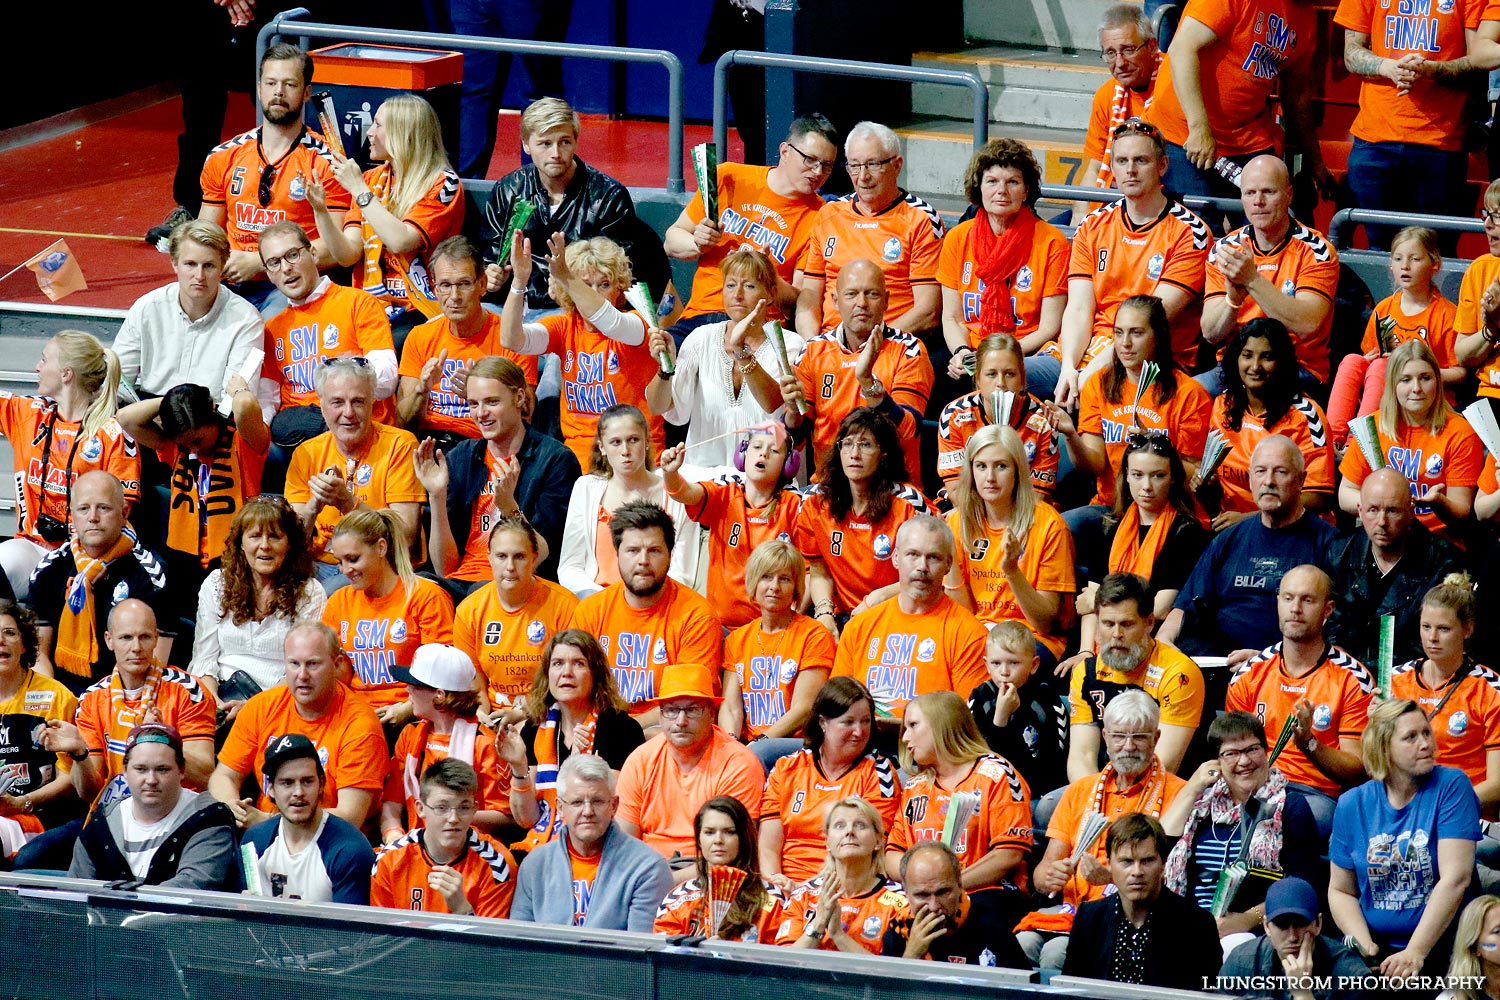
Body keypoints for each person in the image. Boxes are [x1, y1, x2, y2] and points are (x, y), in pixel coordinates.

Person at [1015, 691, 1188, 969]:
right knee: (1020, 945)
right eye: (1119, 736)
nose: (1128, 746)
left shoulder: (1180, 794)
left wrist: (1111, 877)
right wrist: (1052, 876)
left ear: (1156, 739)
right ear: (1105, 737)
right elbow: (1040, 876)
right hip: (1069, 910)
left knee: (1056, 953)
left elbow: (1176, 878)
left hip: (1134, 916)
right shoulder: (1080, 791)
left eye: (1139, 737)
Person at [1045, 120, 1210, 407]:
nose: (1130, 170)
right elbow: (1079, 307)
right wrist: (1070, 367)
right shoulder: (1092, 225)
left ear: (1162, 166)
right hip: (1087, 350)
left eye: (1141, 160)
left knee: (1081, 401)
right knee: (1003, 380)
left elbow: (1147, 323)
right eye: (1121, 161)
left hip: (1150, 361)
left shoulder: (1190, 233)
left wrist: (1089, 378)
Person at [1329, 698, 1479, 978]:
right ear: (1384, 748)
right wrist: (1365, 946)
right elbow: (1340, 890)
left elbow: (1456, 878)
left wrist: (1415, 952)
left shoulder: (1451, 786)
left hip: (1441, 947)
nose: (1425, 744)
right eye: (1410, 737)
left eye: (1426, 733)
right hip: (1377, 949)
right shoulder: (1352, 804)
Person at [1224, 565, 1376, 836]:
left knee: (1284, 817)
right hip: (1255, 787)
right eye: (1288, 598)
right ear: (1278, 603)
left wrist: (1310, 744)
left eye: (1307, 600)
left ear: (1327, 610)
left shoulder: (1352, 679)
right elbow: (1229, 753)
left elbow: (1359, 771)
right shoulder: (1249, 674)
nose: (1296, 608)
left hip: (1317, 796)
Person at [482, 97, 670, 314]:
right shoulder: (508, 190)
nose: (555, 153)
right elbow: (492, 255)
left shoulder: (607, 196)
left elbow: (611, 274)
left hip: (578, 308)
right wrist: (492, 274)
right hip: (514, 301)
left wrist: (564, 285)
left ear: (576, 141)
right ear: (526, 144)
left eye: (564, 142)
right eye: (545, 143)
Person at [1336, 0, 1500, 246]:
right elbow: (1350, 53)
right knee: (1379, 251)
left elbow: (1476, 61)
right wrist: (1388, 67)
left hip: (1441, 142)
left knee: (1435, 253)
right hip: (1374, 141)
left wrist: (1432, 71)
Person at [1143, 0, 1330, 214]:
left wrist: (1316, 163)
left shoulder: (1306, 18)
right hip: (1185, 136)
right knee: (1199, 232)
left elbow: (1296, 96)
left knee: (1266, 228)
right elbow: (1182, 49)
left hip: (1246, 138)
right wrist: (1199, 129)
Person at [198, 44, 348, 310]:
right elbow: (206, 232)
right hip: (231, 281)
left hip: (292, 286)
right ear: (259, 88)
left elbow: (335, 249)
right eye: (271, 83)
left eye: (289, 84)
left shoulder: (327, 163)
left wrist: (260, 261)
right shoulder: (223, 156)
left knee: (264, 331)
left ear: (306, 93)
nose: (278, 92)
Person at [498, 230, 666, 468]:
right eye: (586, 286)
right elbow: (512, 340)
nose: (594, 294)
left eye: (604, 284)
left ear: (619, 288)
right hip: (578, 463)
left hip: (636, 458)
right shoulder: (565, 325)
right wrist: (518, 282)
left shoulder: (638, 322)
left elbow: (610, 321)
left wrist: (567, 275)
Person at [1161, 712, 1324, 956]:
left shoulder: (1289, 807)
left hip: (1254, 933)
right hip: (1190, 923)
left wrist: (1248, 919)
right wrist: (1192, 788)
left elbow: (1302, 882)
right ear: (1216, 761)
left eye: (1252, 749)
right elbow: (1160, 848)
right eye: (1232, 753)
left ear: (1266, 752)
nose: (1245, 761)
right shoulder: (1202, 806)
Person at [1159, 435, 1338, 656]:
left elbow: (1336, 630)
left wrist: (1266, 660)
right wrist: (1164, 638)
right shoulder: (1228, 539)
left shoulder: (1330, 545)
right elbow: (1186, 604)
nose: (1269, 481)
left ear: (1301, 480)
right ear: (1251, 479)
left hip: (1287, 667)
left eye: (1280, 472)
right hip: (1219, 662)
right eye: (1260, 471)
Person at [664, 114, 838, 337]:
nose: (817, 172)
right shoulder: (730, 177)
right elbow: (671, 241)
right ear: (785, 151)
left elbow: (798, 303)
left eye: (826, 166)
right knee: (661, 357)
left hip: (760, 327)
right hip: (703, 317)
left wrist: (769, 276)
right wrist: (698, 243)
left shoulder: (820, 217)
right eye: (810, 160)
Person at [307, 93, 465, 334]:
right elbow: (348, 254)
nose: (369, 132)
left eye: (379, 125)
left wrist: (359, 189)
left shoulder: (443, 184)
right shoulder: (372, 180)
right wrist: (321, 212)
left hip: (422, 308)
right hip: (371, 305)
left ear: (405, 134)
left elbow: (401, 241)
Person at [0, 330, 136, 600]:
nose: (37, 367)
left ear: (66, 373)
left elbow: (120, 515)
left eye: (44, 359)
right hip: (31, 546)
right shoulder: (30, 415)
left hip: (87, 554)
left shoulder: (112, 435)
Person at [421, 355, 579, 587]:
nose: (481, 413)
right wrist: (436, 496)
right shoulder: (460, 458)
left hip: (518, 584)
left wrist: (509, 508)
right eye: (474, 404)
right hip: (462, 582)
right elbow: (444, 568)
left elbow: (543, 558)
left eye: (492, 402)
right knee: (421, 587)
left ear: (519, 397)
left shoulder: (555, 460)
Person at [209, 622, 386, 830]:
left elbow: (350, 816)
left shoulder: (360, 726)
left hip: (331, 844)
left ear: (337, 664)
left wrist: (268, 822)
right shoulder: (261, 707)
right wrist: (233, 807)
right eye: (294, 664)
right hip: (263, 837)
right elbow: (224, 776)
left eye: (313, 664)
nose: (302, 675)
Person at [1061, 294, 1212, 535]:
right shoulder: (1098, 385)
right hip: (1111, 507)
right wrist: (1070, 435)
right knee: (1061, 530)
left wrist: (1153, 446)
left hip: (1168, 511)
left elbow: (1194, 474)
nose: (1125, 343)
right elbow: (1094, 465)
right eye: (1118, 333)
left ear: (1158, 338)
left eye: (1136, 333)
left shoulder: (1189, 394)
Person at [47, 600, 216, 811]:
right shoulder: (92, 699)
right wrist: (79, 753)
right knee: (39, 846)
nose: (136, 648)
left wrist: (161, 737)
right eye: (126, 638)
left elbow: (206, 777)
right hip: (115, 813)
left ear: (156, 638)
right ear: (109, 640)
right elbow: (90, 793)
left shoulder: (188, 690)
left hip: (180, 810)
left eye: (144, 637)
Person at [780, 262, 934, 487]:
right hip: (829, 487)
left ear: (886, 300)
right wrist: (794, 412)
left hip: (892, 489)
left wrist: (868, 382)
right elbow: (796, 440)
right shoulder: (814, 350)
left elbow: (908, 431)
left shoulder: (909, 349)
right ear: (835, 301)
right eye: (851, 294)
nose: (861, 303)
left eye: (871, 294)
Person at [568, 502, 723, 723]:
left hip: (665, 730)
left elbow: (688, 703)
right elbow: (573, 687)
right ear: (617, 555)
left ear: (670, 555)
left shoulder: (696, 615)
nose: (643, 561)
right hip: (597, 728)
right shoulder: (590, 610)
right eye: (632, 551)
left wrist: (627, 734)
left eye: (654, 551)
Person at [938, 423, 1075, 669]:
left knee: (989, 669)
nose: (989, 478)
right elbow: (965, 612)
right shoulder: (958, 521)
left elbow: (1044, 622)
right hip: (978, 632)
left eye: (1001, 466)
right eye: (981, 466)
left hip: (1032, 639)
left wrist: (1012, 571)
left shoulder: (1048, 524)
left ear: (1017, 471)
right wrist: (949, 559)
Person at [1199, 157, 1340, 393]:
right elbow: (1211, 333)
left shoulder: (1317, 251)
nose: (1258, 201)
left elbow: (1307, 325)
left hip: (1297, 368)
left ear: (1289, 194)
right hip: (1235, 366)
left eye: (1268, 192)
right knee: (1186, 397)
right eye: (1250, 193)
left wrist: (1252, 280)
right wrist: (1233, 301)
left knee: (1254, 402)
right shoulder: (1224, 250)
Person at [647, 248, 800, 466]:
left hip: (763, 476)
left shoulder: (790, 344)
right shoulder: (701, 338)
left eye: (749, 286)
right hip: (704, 479)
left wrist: (741, 352)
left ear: (771, 294)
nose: (737, 295)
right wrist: (665, 368)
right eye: (730, 285)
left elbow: (772, 404)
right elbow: (658, 407)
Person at [115, 380, 270, 594]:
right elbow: (126, 418)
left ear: (212, 413)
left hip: (236, 554)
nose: (193, 448)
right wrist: (174, 401)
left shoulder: (243, 442)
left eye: (197, 440)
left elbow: (244, 406)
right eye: (186, 443)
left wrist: (239, 390)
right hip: (184, 556)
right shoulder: (177, 448)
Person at [255, 221, 399, 448]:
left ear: (313, 254)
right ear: (268, 274)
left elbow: (387, 378)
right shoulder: (272, 329)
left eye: (292, 255)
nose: (285, 268)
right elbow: (267, 399)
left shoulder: (358, 303)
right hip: (297, 437)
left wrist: (340, 397)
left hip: (355, 423)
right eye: (274, 263)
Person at [498, 629, 644, 852]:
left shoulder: (620, 728)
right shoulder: (535, 728)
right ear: (547, 675)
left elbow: (612, 812)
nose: (566, 673)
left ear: (595, 674)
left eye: (578, 663)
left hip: (599, 847)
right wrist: (519, 767)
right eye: (557, 664)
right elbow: (526, 819)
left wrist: (580, 762)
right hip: (542, 845)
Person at [795, 121, 944, 337]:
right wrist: (814, 344)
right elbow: (810, 296)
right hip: (831, 345)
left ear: (897, 165)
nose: (863, 177)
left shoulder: (921, 219)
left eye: (873, 164)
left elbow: (927, 311)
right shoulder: (829, 214)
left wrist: (870, 345)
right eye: (855, 166)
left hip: (892, 344)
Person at [832, 515, 988, 720]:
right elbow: (835, 707)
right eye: (912, 555)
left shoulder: (970, 634)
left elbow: (966, 724)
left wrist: (902, 728)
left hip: (931, 749)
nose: (922, 566)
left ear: (948, 565)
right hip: (863, 744)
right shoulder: (859, 627)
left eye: (933, 557)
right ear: (896, 558)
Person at [284, 356, 424, 583]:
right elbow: (293, 541)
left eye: (358, 402)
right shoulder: (306, 453)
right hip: (319, 565)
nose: (348, 413)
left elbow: (405, 537)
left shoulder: (400, 445)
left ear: (373, 404)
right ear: (322, 407)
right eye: (337, 402)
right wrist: (314, 506)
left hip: (380, 565)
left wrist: (347, 502)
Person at [938, 139, 1068, 381]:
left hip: (1028, 353)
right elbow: (952, 317)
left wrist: (996, 357)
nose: (1002, 191)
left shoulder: (1052, 243)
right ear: (979, 188)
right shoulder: (957, 238)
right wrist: (961, 352)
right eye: (992, 181)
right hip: (972, 352)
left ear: (1026, 190)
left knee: (998, 379)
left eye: (1013, 182)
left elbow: (1049, 328)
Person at [793, 408, 935, 630]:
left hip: (903, 615)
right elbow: (818, 570)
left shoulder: (909, 504)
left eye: (865, 445)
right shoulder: (815, 502)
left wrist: (877, 599)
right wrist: (824, 612)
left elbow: (933, 573)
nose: (854, 454)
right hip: (845, 618)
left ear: (884, 454)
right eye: (847, 444)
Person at [29, 473, 172, 690]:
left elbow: (156, 663)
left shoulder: (152, 574)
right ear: (72, 516)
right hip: (61, 692)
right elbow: (39, 656)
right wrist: (56, 702)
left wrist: (98, 708)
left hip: (127, 693)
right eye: (83, 508)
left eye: (103, 508)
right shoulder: (49, 570)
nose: (93, 517)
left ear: (124, 513)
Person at [188, 496, 326, 719]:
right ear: (241, 543)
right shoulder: (217, 584)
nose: (264, 546)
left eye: (274, 536)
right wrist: (215, 703)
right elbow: (204, 658)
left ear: (289, 543)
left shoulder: (310, 592)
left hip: (280, 701)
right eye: (255, 536)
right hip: (219, 697)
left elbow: (303, 670)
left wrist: (253, 707)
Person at [1339, 339, 1483, 547]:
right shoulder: (1374, 426)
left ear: (1437, 381)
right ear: (1392, 384)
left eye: (1425, 378)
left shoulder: (1460, 432)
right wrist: (1386, 508)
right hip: (1381, 537)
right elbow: (1345, 494)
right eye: (1405, 380)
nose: (1416, 388)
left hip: (1436, 542)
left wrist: (1439, 503)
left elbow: (1461, 510)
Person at [759, 677, 902, 888]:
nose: (859, 732)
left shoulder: (879, 774)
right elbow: (768, 847)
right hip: (783, 886)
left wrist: (804, 889)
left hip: (844, 887)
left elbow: (869, 856)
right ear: (822, 723)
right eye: (849, 722)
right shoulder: (786, 768)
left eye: (866, 721)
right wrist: (775, 884)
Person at [396, 240, 539, 450]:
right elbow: (403, 424)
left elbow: (526, 413)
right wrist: (421, 391)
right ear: (435, 289)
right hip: (427, 444)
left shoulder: (513, 338)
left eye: (464, 284)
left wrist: (478, 396)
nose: (454, 297)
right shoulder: (420, 336)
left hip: (483, 446)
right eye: (445, 285)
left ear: (482, 284)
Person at [614, 663, 764, 859]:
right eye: (671, 710)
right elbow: (624, 844)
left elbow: (734, 853)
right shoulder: (640, 760)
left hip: (708, 872)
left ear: (711, 713)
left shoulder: (738, 763)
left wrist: (668, 880)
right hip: (647, 870)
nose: (681, 721)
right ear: (660, 714)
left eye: (692, 710)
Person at [887, 691, 1033, 891]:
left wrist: (948, 889)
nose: (904, 738)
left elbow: (1008, 855)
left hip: (989, 894)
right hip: (923, 896)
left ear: (942, 724)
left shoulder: (997, 775)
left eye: (913, 725)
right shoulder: (914, 786)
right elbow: (892, 855)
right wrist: (926, 887)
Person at [660, 427, 804, 629]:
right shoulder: (725, 493)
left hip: (773, 626)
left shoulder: (795, 506)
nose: (763, 453)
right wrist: (670, 472)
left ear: (789, 464)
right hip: (722, 626)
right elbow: (684, 492)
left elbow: (807, 573)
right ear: (743, 454)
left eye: (774, 450)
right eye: (757, 446)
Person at [1197, 318, 1335, 527]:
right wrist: (1207, 484)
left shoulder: (1306, 416)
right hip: (1231, 527)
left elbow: (1318, 497)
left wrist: (1251, 520)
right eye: (1247, 355)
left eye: (1267, 357)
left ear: (1282, 362)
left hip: (1293, 530)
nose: (1255, 367)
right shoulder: (1222, 406)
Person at [511, 753, 673, 930]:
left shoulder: (648, 868)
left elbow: (640, 950)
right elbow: (519, 944)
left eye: (597, 801)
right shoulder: (535, 865)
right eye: (577, 802)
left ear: (614, 806)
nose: (588, 811)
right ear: (560, 807)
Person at [1066, 572, 1204, 780]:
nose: (1116, 634)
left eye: (1127, 624)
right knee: (1046, 808)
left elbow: (1165, 765)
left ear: (1149, 623)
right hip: (1106, 786)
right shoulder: (1085, 673)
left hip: (1169, 790)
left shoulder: (1178, 673)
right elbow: (1081, 757)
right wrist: (1094, 801)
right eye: (1108, 624)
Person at [1329, 227, 1460, 446]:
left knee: (1383, 367)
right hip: (1385, 391)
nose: (1405, 266)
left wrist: (1422, 372)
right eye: (1398, 259)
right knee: (1353, 360)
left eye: (1415, 259)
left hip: (1424, 394)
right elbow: (1371, 354)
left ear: (1434, 264)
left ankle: (1360, 442)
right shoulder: (1385, 309)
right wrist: (1369, 360)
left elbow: (1460, 371)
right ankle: (1332, 438)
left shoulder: (1446, 314)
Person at [322, 509, 456, 723]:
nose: (345, 570)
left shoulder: (425, 596)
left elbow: (442, 673)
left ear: (381, 548)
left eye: (353, 559)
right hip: (355, 715)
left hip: (415, 714)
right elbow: (335, 675)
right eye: (340, 561)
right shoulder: (338, 602)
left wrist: (408, 709)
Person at [67, 724, 239, 890]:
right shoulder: (103, 820)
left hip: (179, 920)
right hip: (105, 919)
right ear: (125, 771)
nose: (151, 780)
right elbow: (77, 892)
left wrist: (128, 915)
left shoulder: (210, 818)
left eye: (162, 769)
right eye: (141, 769)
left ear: (182, 770)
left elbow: (193, 889)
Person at [1062, 813, 1222, 987]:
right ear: (1109, 864)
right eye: (1126, 862)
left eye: (1147, 861)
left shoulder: (1196, 924)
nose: (1137, 872)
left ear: (1163, 864)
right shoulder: (1089, 918)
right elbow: (1071, 988)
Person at [114, 219, 263, 404]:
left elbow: (232, 402)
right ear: (174, 264)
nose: (199, 276)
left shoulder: (246, 320)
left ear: (222, 266)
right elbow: (117, 384)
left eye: (208, 266)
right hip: (148, 413)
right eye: (190, 264)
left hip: (207, 416)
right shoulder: (147, 308)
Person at [1326, 469, 1464, 667]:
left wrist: (1375, 673)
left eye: (1392, 511)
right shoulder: (1339, 552)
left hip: (1411, 679)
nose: (1382, 522)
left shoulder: (1443, 563)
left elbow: (1430, 644)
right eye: (1373, 510)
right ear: (1360, 510)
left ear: (1410, 511)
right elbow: (1330, 626)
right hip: (1347, 677)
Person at [557, 405, 699, 597]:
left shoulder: (676, 492)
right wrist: (607, 602)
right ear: (602, 447)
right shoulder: (585, 488)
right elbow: (569, 567)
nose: (625, 450)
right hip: (596, 602)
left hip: (658, 603)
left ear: (647, 442)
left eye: (633, 440)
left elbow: (683, 573)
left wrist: (635, 602)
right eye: (615, 442)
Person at [1081, 435, 1208, 643]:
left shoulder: (1187, 532)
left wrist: (1096, 601)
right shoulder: (1107, 526)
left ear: (1173, 478)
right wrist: (1085, 650)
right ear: (1127, 477)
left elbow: (1159, 608)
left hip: (1154, 641)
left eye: (1158, 476)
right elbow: (1090, 603)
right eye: (1138, 475)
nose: (1147, 486)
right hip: (1103, 643)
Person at [1391, 575, 1500, 817]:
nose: (1432, 638)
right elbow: (1377, 764)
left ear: (1468, 629)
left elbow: (1497, 784)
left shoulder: (1491, 690)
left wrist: (1439, 809)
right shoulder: (1395, 681)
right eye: (1426, 627)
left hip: (1468, 814)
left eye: (1443, 629)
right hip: (1404, 810)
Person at [380, 644, 509, 844]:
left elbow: (506, 818)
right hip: (414, 848)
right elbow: (391, 803)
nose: (407, 689)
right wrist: (394, 836)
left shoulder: (485, 744)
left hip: (472, 851)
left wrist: (446, 815)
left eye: (415, 685)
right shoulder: (410, 735)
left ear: (439, 695)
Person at [452, 517, 579, 719]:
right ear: (489, 558)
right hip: (494, 716)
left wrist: (523, 715)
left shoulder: (566, 606)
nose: (510, 566)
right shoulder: (469, 611)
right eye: (501, 556)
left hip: (549, 715)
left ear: (534, 558)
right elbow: (476, 690)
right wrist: (481, 716)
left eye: (519, 556)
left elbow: (573, 687)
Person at [720, 540, 834, 757]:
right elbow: (730, 708)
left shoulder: (814, 635)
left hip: (797, 745)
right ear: (753, 582)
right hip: (749, 747)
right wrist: (732, 745)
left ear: (796, 587)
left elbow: (804, 708)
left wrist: (759, 744)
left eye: (784, 579)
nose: (774, 586)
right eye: (766, 577)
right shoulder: (737, 639)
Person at [241, 733, 377, 904]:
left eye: (307, 781)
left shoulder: (350, 850)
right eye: (287, 783)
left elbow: (349, 930)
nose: (298, 792)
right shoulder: (254, 841)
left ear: (321, 783)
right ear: (271, 788)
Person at [371, 758, 516, 917]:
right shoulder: (389, 859)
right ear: (420, 809)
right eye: (442, 807)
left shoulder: (497, 865)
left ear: (475, 809)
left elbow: (492, 941)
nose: (453, 818)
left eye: (464, 807)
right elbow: (382, 936)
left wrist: (462, 909)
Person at [936, 333, 1062, 502]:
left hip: (1023, 511)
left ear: (1022, 378)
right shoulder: (954, 416)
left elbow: (1038, 495)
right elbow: (957, 489)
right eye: (991, 374)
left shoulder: (1043, 421)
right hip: (967, 507)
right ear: (978, 378)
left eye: (1009, 374)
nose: (1001, 383)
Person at [776, 795, 910, 953]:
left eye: (860, 825)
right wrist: (820, 922)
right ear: (827, 842)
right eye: (839, 826)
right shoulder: (802, 896)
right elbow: (784, 966)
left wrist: (838, 936)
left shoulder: (901, 903)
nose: (849, 832)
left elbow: (891, 974)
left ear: (878, 841)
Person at [0, 601, 78, 853]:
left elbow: (70, 780)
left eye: (9, 633)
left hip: (40, 814)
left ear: (24, 645)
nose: (0, 641)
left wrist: (22, 803)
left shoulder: (56, 697)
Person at [653, 797, 788, 942]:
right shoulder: (677, 899)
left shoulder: (772, 900)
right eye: (709, 832)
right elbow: (662, 959)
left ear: (743, 838)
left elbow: (783, 959)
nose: (718, 840)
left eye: (729, 832)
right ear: (699, 839)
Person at [1219, 876, 1373, 1000]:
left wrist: (1303, 994)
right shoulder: (1241, 963)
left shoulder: (1351, 976)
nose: (1292, 936)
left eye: (1300, 924)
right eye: (1282, 925)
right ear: (1267, 926)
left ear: (1318, 924)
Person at [880, 841, 1031, 966]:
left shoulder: (993, 927)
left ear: (959, 884)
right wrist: (912, 955)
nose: (933, 906)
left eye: (943, 892)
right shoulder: (899, 931)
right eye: (922, 895)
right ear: (906, 892)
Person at [1075, 6, 1163, 213]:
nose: (1120, 63)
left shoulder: (1173, 84)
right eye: (1111, 53)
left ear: (1152, 46)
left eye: (1128, 50)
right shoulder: (1106, 94)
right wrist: (1079, 220)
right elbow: (1094, 168)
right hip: (1109, 205)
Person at [968, 620, 1068, 800]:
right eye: (996, 663)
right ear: (986, 664)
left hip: (1038, 791)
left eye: (1014, 663)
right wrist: (1000, 720)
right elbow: (979, 759)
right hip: (990, 792)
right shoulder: (979, 698)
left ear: (1034, 665)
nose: (1004, 671)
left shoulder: (1047, 700)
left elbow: (1054, 765)